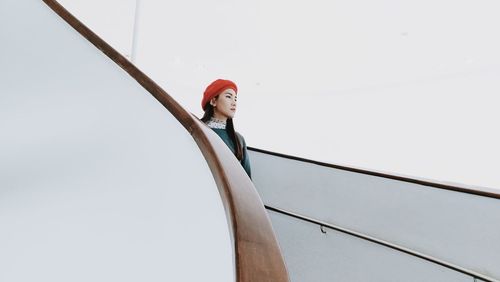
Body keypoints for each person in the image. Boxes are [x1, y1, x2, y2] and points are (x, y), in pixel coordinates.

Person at [200, 79, 251, 178]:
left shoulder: (239, 140)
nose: (234, 103)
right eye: (229, 97)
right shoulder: (198, 130)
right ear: (213, 101)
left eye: (235, 99)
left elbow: (247, 180)